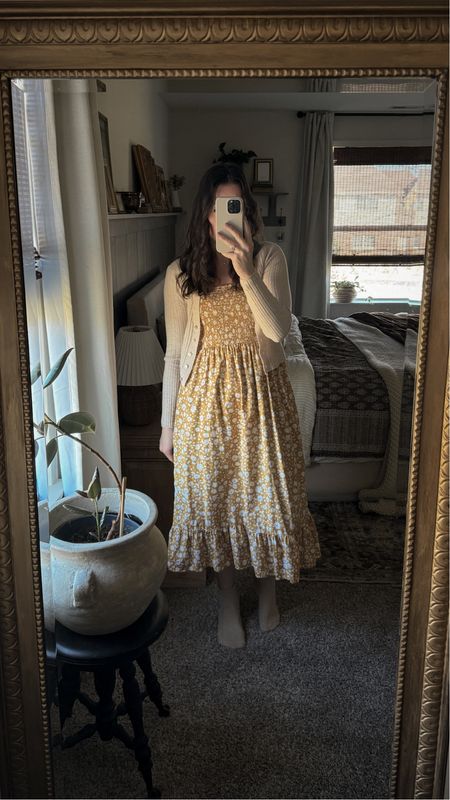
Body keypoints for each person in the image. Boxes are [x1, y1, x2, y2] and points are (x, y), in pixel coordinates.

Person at [159, 162, 321, 649]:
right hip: (203, 405)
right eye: (219, 207)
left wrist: (245, 268)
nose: (227, 216)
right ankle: (230, 601)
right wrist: (167, 426)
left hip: (262, 401)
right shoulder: (180, 274)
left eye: (236, 206)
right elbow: (173, 355)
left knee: (265, 501)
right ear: (206, 215)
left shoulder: (270, 258)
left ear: (246, 211)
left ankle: (267, 590)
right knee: (218, 505)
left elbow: (277, 331)